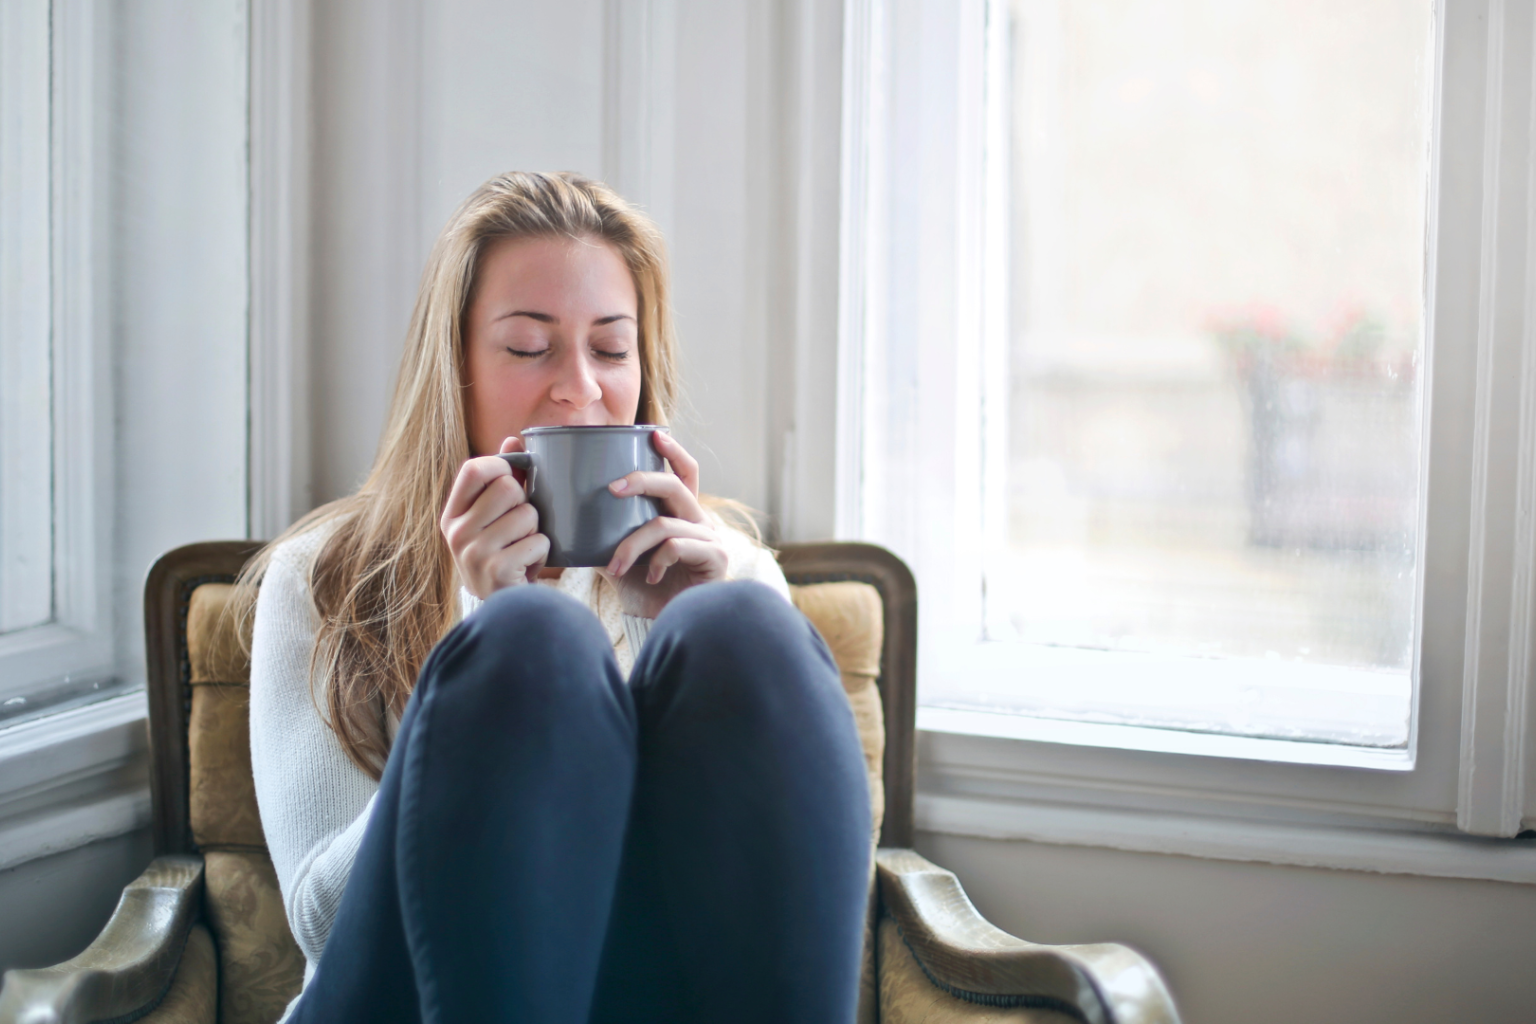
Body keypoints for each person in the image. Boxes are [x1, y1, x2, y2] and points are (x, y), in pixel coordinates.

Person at [235, 171, 871, 1023]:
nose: (580, 386)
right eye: (530, 348)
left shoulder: (729, 572)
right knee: (530, 641)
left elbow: (800, 905)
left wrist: (679, 629)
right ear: (453, 365)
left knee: (742, 626)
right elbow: (320, 922)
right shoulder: (325, 575)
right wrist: (482, 628)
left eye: (611, 349)